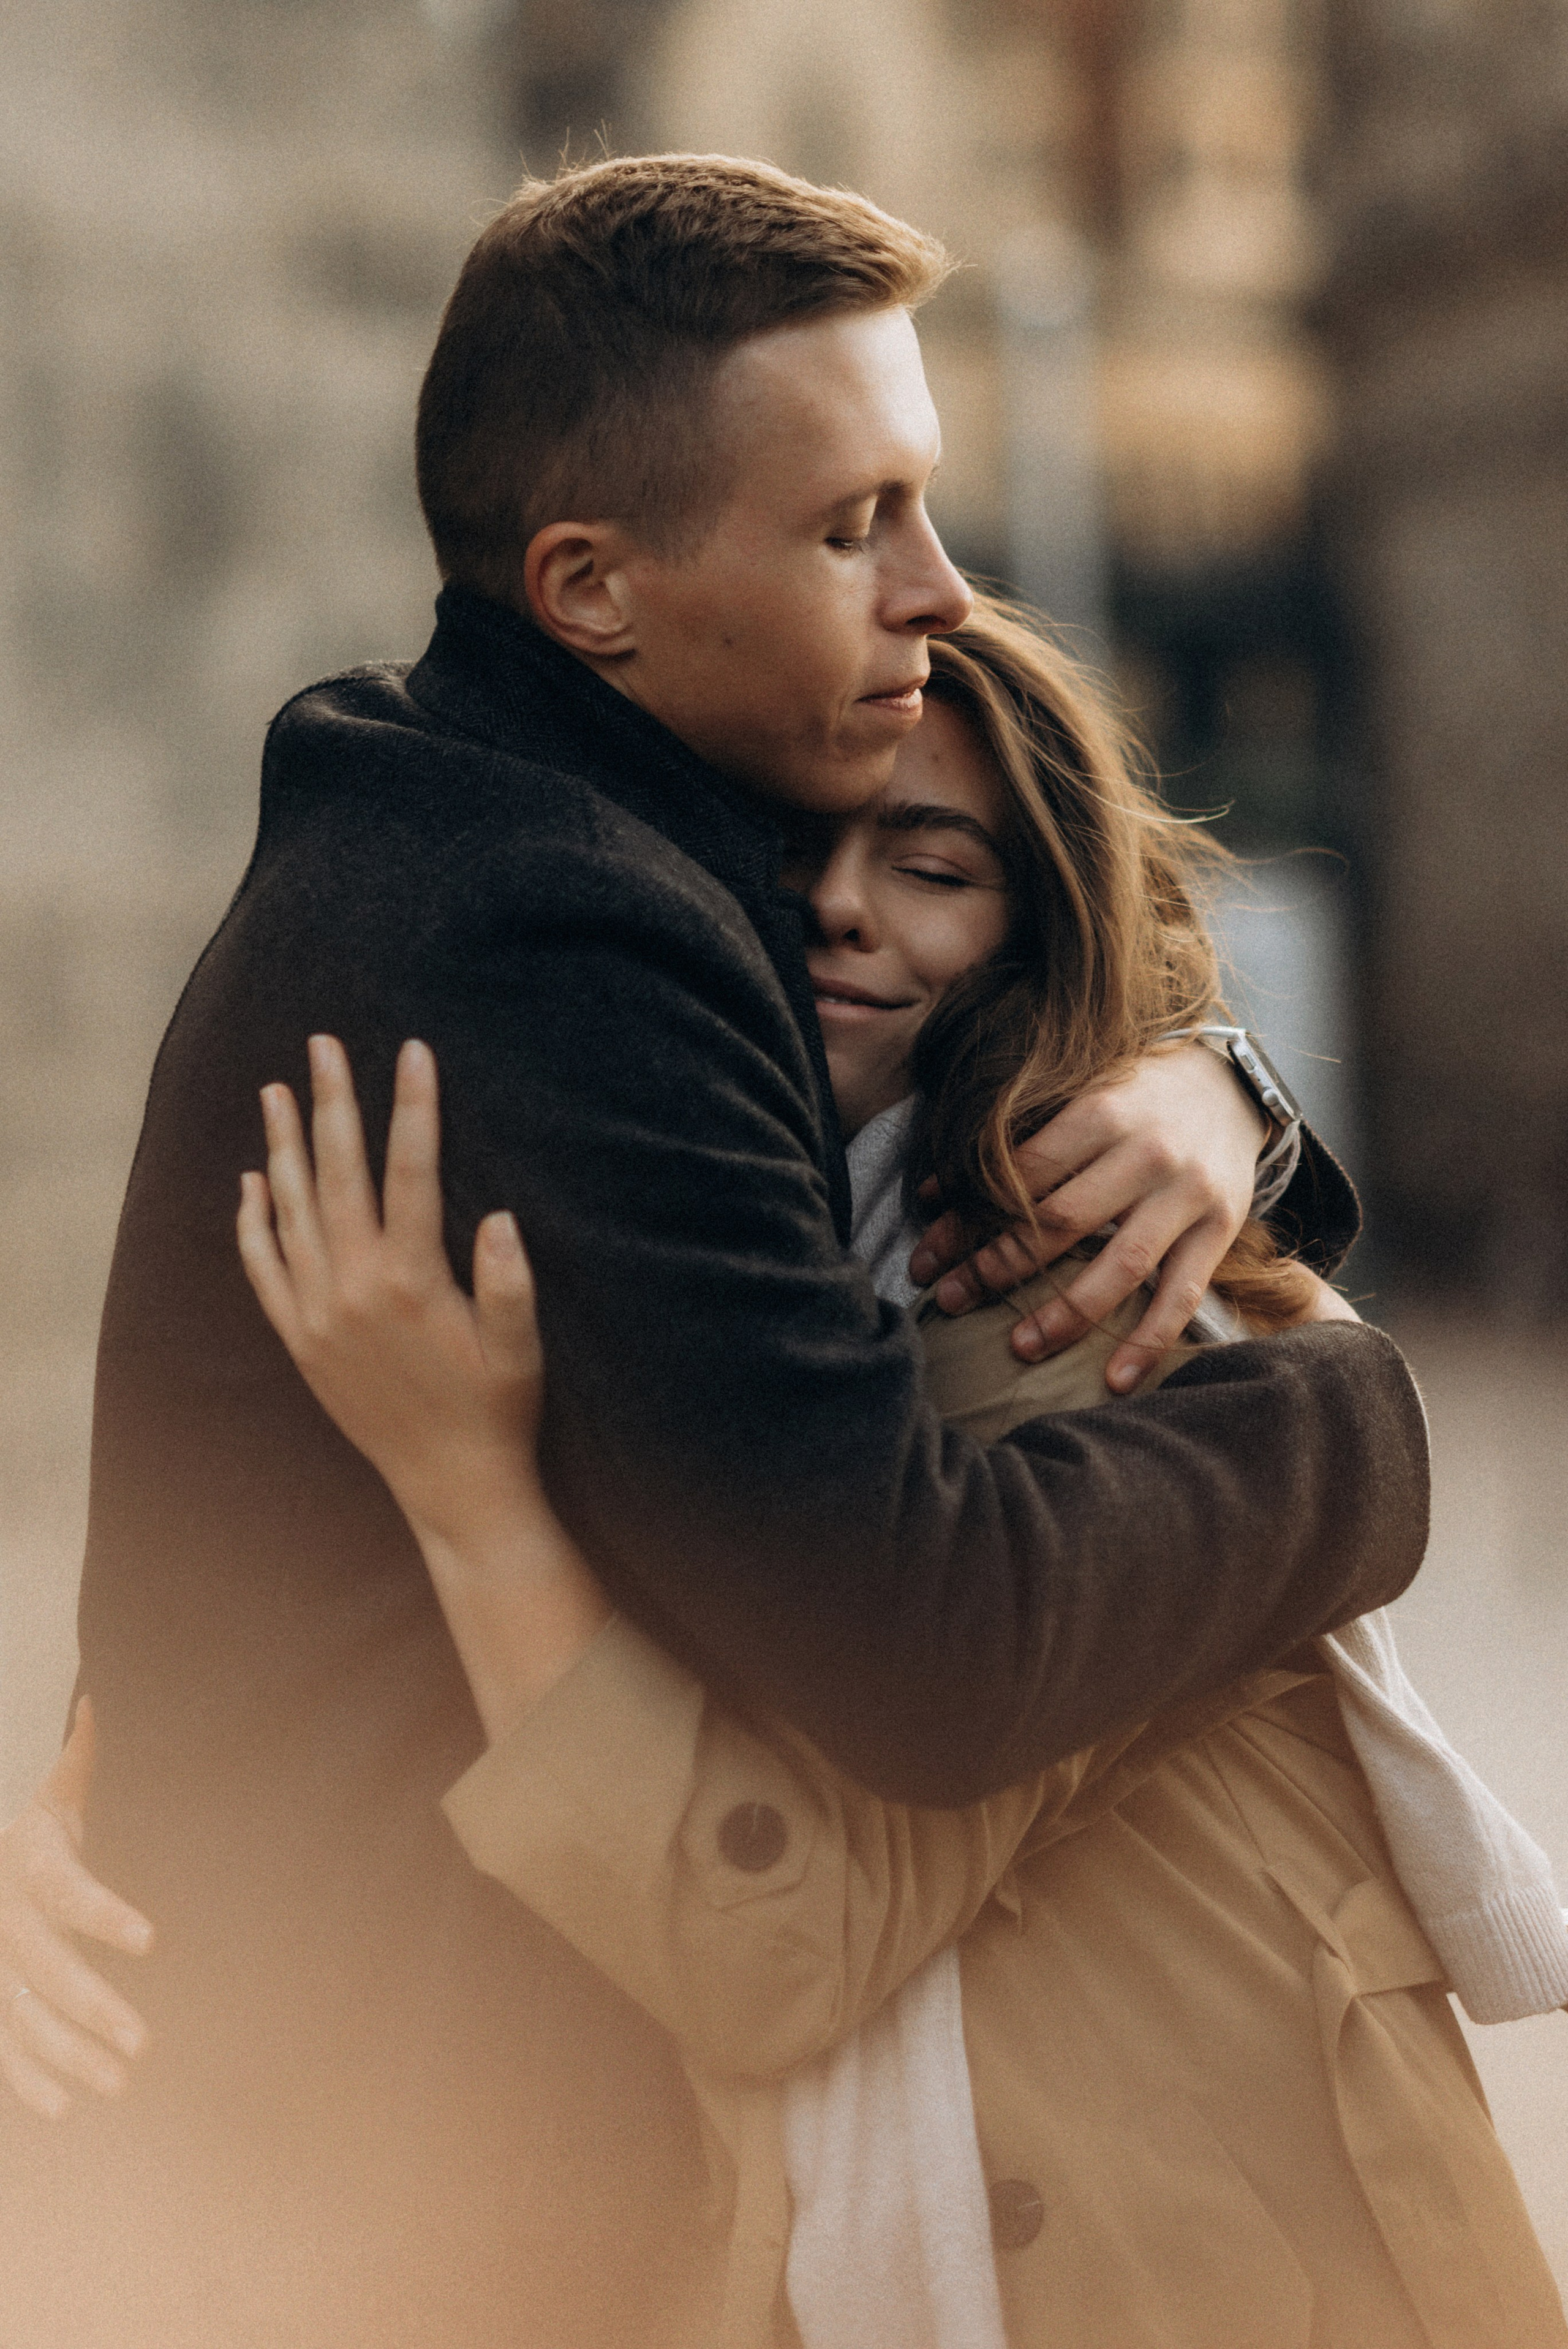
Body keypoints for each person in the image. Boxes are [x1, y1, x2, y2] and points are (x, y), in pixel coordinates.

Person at [0, 160, 1428, 2347]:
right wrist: (1346, 1422)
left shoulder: (483, 803)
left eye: (924, 501)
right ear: (591, 585)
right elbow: (923, 1642)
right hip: (387, 2211)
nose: (938, 586)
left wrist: (1225, 1094)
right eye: (855, 523)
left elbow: (1020, 932)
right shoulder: (559, 931)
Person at [217, 601, 1564, 2344]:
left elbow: (769, 1933)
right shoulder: (716, 1275)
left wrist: (466, 1495)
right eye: (792, 850)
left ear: (1042, 929)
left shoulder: (1075, 1295)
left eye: (932, 866)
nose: (840, 904)